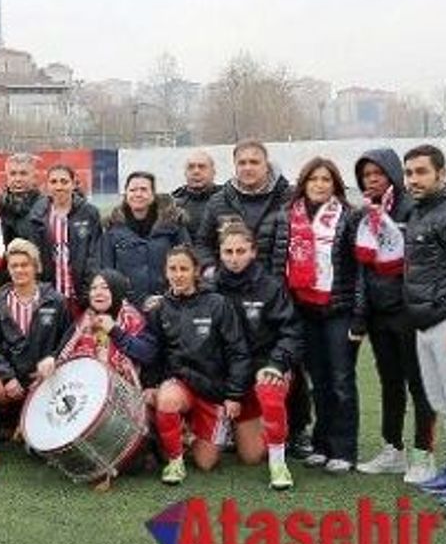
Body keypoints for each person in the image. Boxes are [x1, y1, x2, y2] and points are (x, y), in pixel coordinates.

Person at [353, 148, 437, 482]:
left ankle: (423, 454)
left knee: (419, 385)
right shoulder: (366, 211)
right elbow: (363, 264)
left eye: (378, 173)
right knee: (390, 383)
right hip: (379, 312)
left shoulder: (411, 207)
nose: (371, 179)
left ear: (392, 174)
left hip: (409, 311)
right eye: (366, 174)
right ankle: (393, 449)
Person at [143, 246, 251, 485]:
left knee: (205, 462)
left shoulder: (217, 304)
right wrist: (151, 384)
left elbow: (238, 352)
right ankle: (174, 461)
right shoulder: (160, 308)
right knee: (166, 399)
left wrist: (234, 394)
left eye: (184, 269)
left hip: (213, 389)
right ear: (165, 272)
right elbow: (155, 353)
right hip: (180, 384)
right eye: (173, 269)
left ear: (196, 272)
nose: (178, 274)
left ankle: (189, 434)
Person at [284, 157, 361, 474]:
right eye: (313, 179)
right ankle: (321, 444)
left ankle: (344, 449)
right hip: (304, 310)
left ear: (335, 185)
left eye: (325, 179)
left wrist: (360, 315)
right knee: (317, 382)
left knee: (341, 380)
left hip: (338, 310)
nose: (319, 184)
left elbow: (360, 272)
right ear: (304, 183)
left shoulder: (349, 217)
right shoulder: (289, 217)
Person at [215, 223, 303, 490]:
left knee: (268, 386)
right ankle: (249, 428)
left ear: (253, 252)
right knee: (251, 456)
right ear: (219, 253)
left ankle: (279, 462)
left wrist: (277, 364)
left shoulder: (270, 286)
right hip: (234, 373)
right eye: (228, 251)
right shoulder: (211, 286)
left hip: (266, 364)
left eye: (240, 250)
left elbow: (292, 331)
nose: (234, 257)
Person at [401, 145, 446, 500]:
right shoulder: (420, 211)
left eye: (421, 171)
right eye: (409, 173)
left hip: (445, 321)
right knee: (443, 403)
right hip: (424, 322)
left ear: (442, 173)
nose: (413, 179)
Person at [0, 240, 76, 436]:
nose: (19, 270)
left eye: (24, 265)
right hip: (13, 380)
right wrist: (7, 378)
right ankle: (5, 422)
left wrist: (53, 361)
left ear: (36, 267)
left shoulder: (55, 300)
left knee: (38, 443)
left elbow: (68, 339)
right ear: (8, 269)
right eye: (13, 266)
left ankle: (28, 424)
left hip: (47, 379)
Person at [197, 140, 292, 277]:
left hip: (277, 287)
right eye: (242, 163)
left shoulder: (288, 199)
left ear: (266, 165)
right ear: (235, 166)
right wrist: (212, 271)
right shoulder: (218, 201)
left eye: (254, 162)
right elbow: (202, 243)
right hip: (231, 288)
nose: (247, 168)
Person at [48, 269, 154, 390]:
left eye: (105, 288)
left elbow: (147, 355)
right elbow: (61, 351)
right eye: (93, 288)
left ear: (117, 290)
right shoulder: (84, 320)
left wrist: (114, 331)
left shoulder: (133, 319)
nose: (98, 293)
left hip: (121, 393)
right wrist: (51, 361)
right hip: (81, 388)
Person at [98, 172, 190, 305]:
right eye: (133, 190)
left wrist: (168, 297)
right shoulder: (112, 229)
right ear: (126, 194)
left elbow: (187, 263)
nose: (138, 194)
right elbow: (107, 271)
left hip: (170, 303)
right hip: (128, 307)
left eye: (143, 189)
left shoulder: (173, 224)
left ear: (153, 194)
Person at [28, 164, 102, 317]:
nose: (59, 187)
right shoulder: (37, 216)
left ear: (74, 184)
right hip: (49, 297)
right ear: (47, 186)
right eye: (53, 182)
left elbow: (95, 255)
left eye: (64, 181)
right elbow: (35, 259)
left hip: (80, 297)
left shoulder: (89, 213)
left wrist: (89, 294)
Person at [172, 150, 222, 249]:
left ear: (213, 172)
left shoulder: (227, 199)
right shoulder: (173, 204)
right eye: (191, 167)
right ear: (185, 173)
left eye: (202, 167)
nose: (196, 171)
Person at [0, 153, 41, 245]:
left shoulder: (45, 207)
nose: (18, 179)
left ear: (34, 177)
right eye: (13, 174)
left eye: (23, 174)